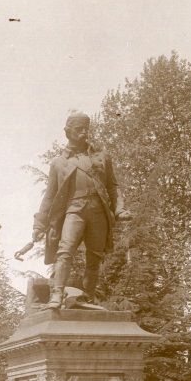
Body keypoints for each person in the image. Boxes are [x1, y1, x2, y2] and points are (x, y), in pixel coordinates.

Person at [32, 112, 131, 308]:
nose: (84, 133)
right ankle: (57, 294)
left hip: (98, 211)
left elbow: (112, 186)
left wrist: (119, 209)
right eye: (79, 129)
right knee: (65, 250)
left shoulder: (102, 157)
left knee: (94, 257)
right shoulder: (58, 163)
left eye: (86, 129)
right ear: (67, 131)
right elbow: (50, 197)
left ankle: (88, 297)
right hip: (74, 210)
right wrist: (39, 225)